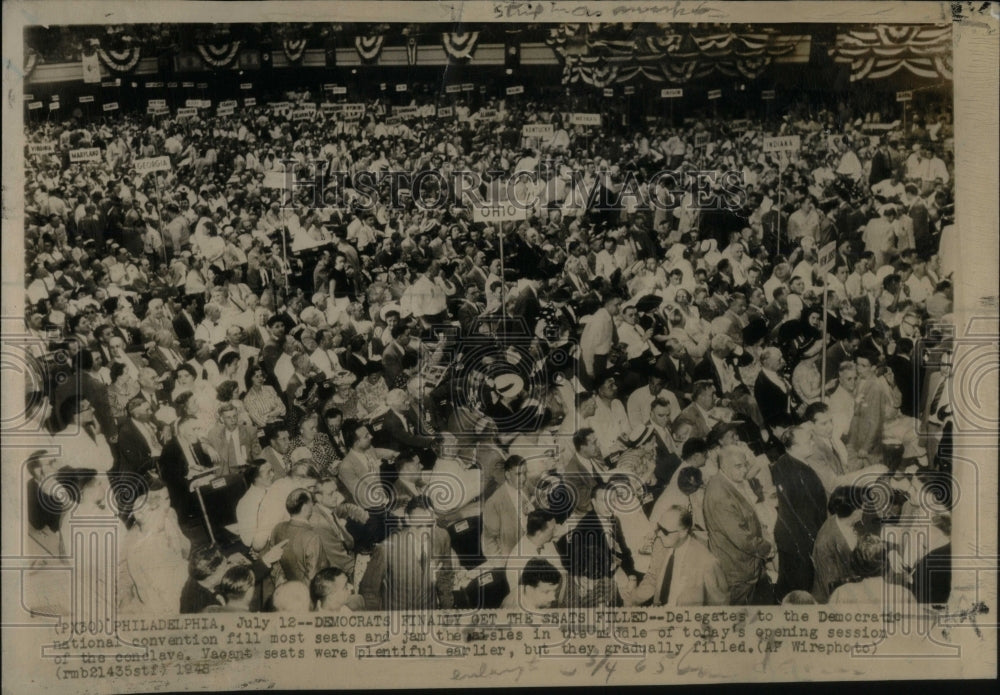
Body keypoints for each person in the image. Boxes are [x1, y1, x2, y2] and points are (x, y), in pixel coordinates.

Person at [703, 445, 775, 605]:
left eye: (745, 465)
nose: (744, 470)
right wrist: (767, 548)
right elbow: (742, 538)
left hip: (746, 564)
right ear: (723, 466)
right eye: (738, 466)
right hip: (737, 570)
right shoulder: (720, 494)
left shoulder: (730, 481)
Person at [627, 505, 728, 607]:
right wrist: (630, 601)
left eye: (665, 531)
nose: (659, 534)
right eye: (659, 528)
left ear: (683, 532)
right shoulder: (660, 544)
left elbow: (719, 606)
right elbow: (652, 579)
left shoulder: (707, 562)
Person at [771, 427, 828, 598]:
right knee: (801, 591)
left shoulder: (782, 462)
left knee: (788, 587)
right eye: (808, 441)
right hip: (802, 541)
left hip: (789, 537)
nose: (813, 443)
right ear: (794, 447)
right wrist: (815, 543)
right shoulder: (800, 473)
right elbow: (807, 515)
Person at [811, 486, 864, 603]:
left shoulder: (845, 520)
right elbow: (832, 587)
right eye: (863, 507)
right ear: (855, 513)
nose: (865, 509)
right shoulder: (825, 542)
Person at [267, 488, 329, 584]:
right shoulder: (312, 537)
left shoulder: (277, 528)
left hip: (286, 587)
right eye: (311, 503)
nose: (313, 505)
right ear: (305, 509)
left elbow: (275, 565)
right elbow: (313, 578)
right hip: (304, 593)